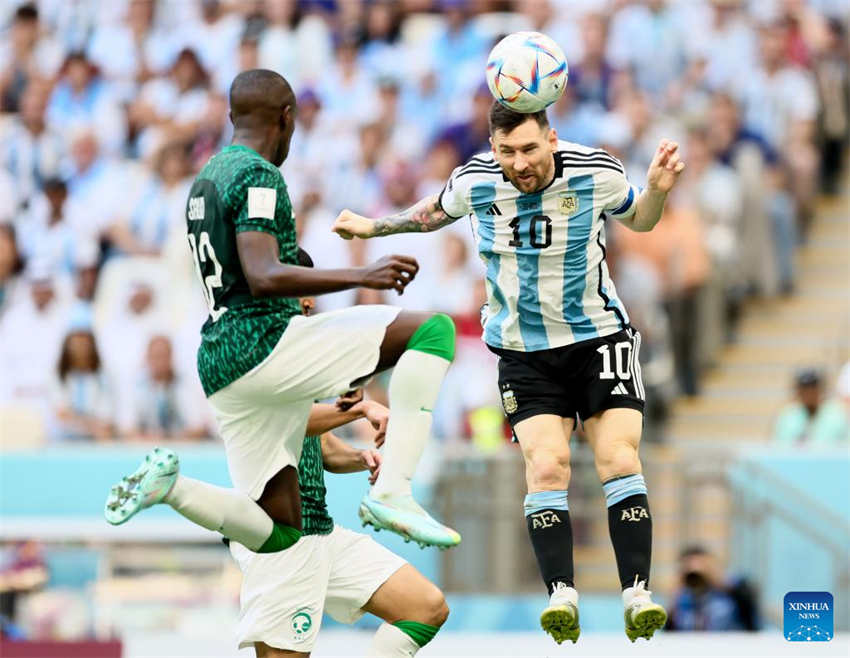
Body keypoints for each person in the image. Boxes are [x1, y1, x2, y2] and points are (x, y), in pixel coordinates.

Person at [333, 101, 686, 643]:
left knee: (618, 457)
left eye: (528, 149)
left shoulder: (595, 171)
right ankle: (561, 596)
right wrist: (372, 227)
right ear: (493, 149)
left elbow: (640, 218)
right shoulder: (476, 181)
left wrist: (656, 190)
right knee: (546, 466)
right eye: (506, 152)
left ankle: (637, 593)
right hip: (524, 353)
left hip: (599, 339)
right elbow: (431, 213)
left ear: (552, 139)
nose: (519, 163)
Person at [104, 69, 460, 554]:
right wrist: (363, 274)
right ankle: (393, 491)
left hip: (220, 362)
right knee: (434, 331)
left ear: (232, 116)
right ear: (287, 119)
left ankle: (174, 489)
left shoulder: (204, 179)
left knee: (281, 529)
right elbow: (263, 274)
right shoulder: (257, 173)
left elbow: (245, 264)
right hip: (263, 343)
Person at [228, 252, 448, 657]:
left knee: (425, 608)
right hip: (279, 540)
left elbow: (321, 446)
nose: (309, 300)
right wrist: (360, 408)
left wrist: (361, 457)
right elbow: (288, 423)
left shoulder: (298, 357)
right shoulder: (248, 353)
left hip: (321, 531)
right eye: (298, 288)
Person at [666, 545, 759, 632]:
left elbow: (751, 615)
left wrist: (717, 580)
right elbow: (669, 632)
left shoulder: (731, 590)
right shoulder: (682, 598)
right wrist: (676, 592)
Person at [772, 368, 849, 445]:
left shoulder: (836, 416)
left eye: (813, 389)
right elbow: (780, 446)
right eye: (805, 390)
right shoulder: (788, 417)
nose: (809, 394)